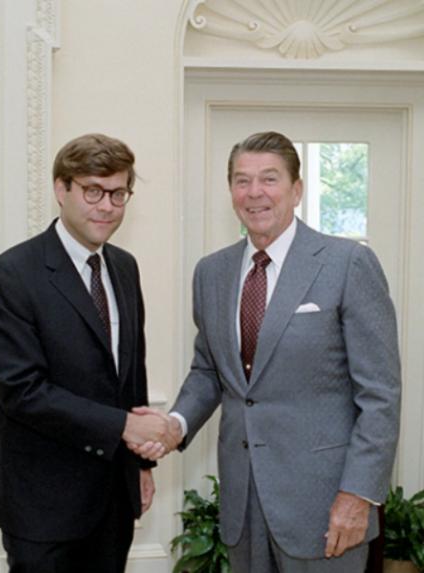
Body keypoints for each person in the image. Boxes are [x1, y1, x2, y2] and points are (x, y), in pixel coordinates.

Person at [132, 132, 401, 572]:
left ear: (297, 190)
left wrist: (358, 494)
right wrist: (175, 425)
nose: (254, 192)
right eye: (242, 181)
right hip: (243, 501)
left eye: (269, 179)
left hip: (325, 503)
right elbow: (209, 370)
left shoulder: (347, 263)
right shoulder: (212, 273)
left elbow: (381, 395)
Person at [0, 133, 178, 573]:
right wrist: (124, 426)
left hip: (113, 498)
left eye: (118, 193)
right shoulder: (10, 275)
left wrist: (142, 466)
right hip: (42, 504)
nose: (106, 206)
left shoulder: (124, 267)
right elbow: (22, 392)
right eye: (92, 190)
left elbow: (130, 376)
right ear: (61, 189)